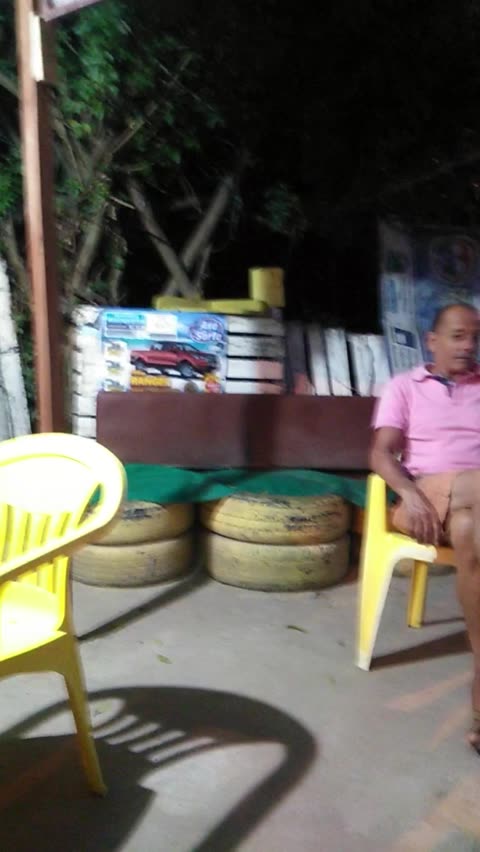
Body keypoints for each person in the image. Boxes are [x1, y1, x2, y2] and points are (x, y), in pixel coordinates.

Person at [370, 302, 480, 751]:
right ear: (432, 341)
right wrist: (409, 492)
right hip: (424, 498)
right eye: (458, 336)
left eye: (474, 337)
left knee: (471, 529)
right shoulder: (404, 387)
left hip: (470, 507)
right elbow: (380, 453)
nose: (468, 345)